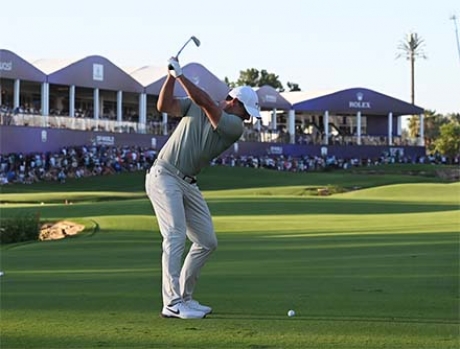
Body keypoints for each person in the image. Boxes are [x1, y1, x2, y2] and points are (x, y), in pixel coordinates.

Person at [145, 57, 260, 319]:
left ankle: (185, 297)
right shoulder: (197, 107)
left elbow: (206, 102)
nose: (248, 120)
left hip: (188, 182)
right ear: (235, 102)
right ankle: (172, 302)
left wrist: (181, 75)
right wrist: (170, 77)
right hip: (164, 174)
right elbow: (164, 105)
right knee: (174, 235)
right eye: (246, 112)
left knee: (207, 241)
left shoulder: (234, 127)